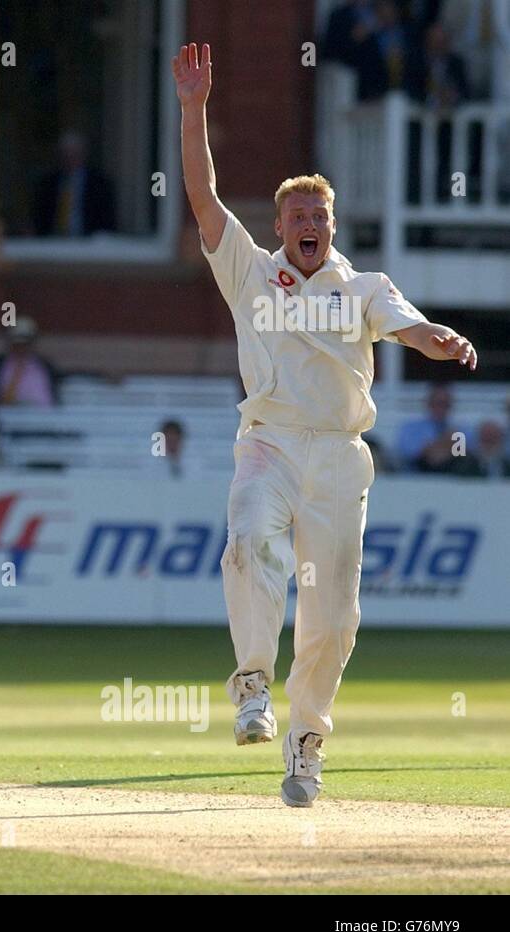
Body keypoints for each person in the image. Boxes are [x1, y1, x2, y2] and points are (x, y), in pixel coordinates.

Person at [174, 42, 478, 808]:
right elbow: (204, 197)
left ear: (333, 226)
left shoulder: (363, 285)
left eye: (322, 216)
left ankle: (305, 745)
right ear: (279, 224)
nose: (311, 223)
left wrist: (435, 337)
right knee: (247, 540)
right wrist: (192, 108)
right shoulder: (249, 270)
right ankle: (251, 686)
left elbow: (405, 325)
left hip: (341, 460)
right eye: (299, 215)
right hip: (269, 442)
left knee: (335, 618)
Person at [32, 130, 116, 237]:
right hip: (52, 243)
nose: (69, 159)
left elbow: (107, 221)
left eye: (74, 154)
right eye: (65, 154)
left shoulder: (99, 184)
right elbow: (39, 218)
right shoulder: (48, 183)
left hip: (88, 244)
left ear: (83, 155)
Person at [0, 316, 60, 410]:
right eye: (17, 343)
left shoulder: (44, 367)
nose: (21, 348)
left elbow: (51, 400)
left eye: (25, 343)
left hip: (40, 418)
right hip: (0, 418)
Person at [396, 384, 469, 472]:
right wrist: (444, 443)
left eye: (445, 404)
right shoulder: (410, 429)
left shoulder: (461, 430)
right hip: (417, 478)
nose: (441, 408)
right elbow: (407, 454)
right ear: (428, 404)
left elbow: (466, 454)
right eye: (438, 403)